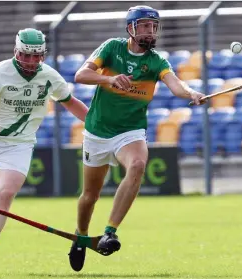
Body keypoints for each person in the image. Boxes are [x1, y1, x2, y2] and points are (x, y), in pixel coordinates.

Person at [68, 5, 205, 272]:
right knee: (89, 196)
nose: (149, 31)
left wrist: (191, 94)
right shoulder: (110, 48)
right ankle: (81, 236)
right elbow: (80, 75)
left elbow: (176, 85)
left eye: (153, 27)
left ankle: (110, 232)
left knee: (138, 165)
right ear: (130, 28)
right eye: (144, 26)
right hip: (97, 131)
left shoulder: (157, 61)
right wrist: (108, 80)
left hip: (130, 131)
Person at [0, 28, 89, 275]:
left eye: (36, 56)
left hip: (19, 145)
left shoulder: (49, 76)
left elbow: (71, 103)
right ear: (15, 52)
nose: (31, 61)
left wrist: (99, 127)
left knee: (5, 195)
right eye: (25, 55)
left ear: (43, 55)